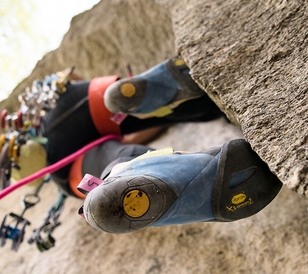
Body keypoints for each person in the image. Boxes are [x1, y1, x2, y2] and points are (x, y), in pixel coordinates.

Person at [39, 56, 282, 234]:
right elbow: (68, 76)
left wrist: (132, 144)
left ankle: (134, 172)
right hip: (67, 110)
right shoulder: (36, 110)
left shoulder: (34, 165)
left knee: (116, 157)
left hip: (67, 169)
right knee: (126, 105)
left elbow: (127, 143)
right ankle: (133, 98)